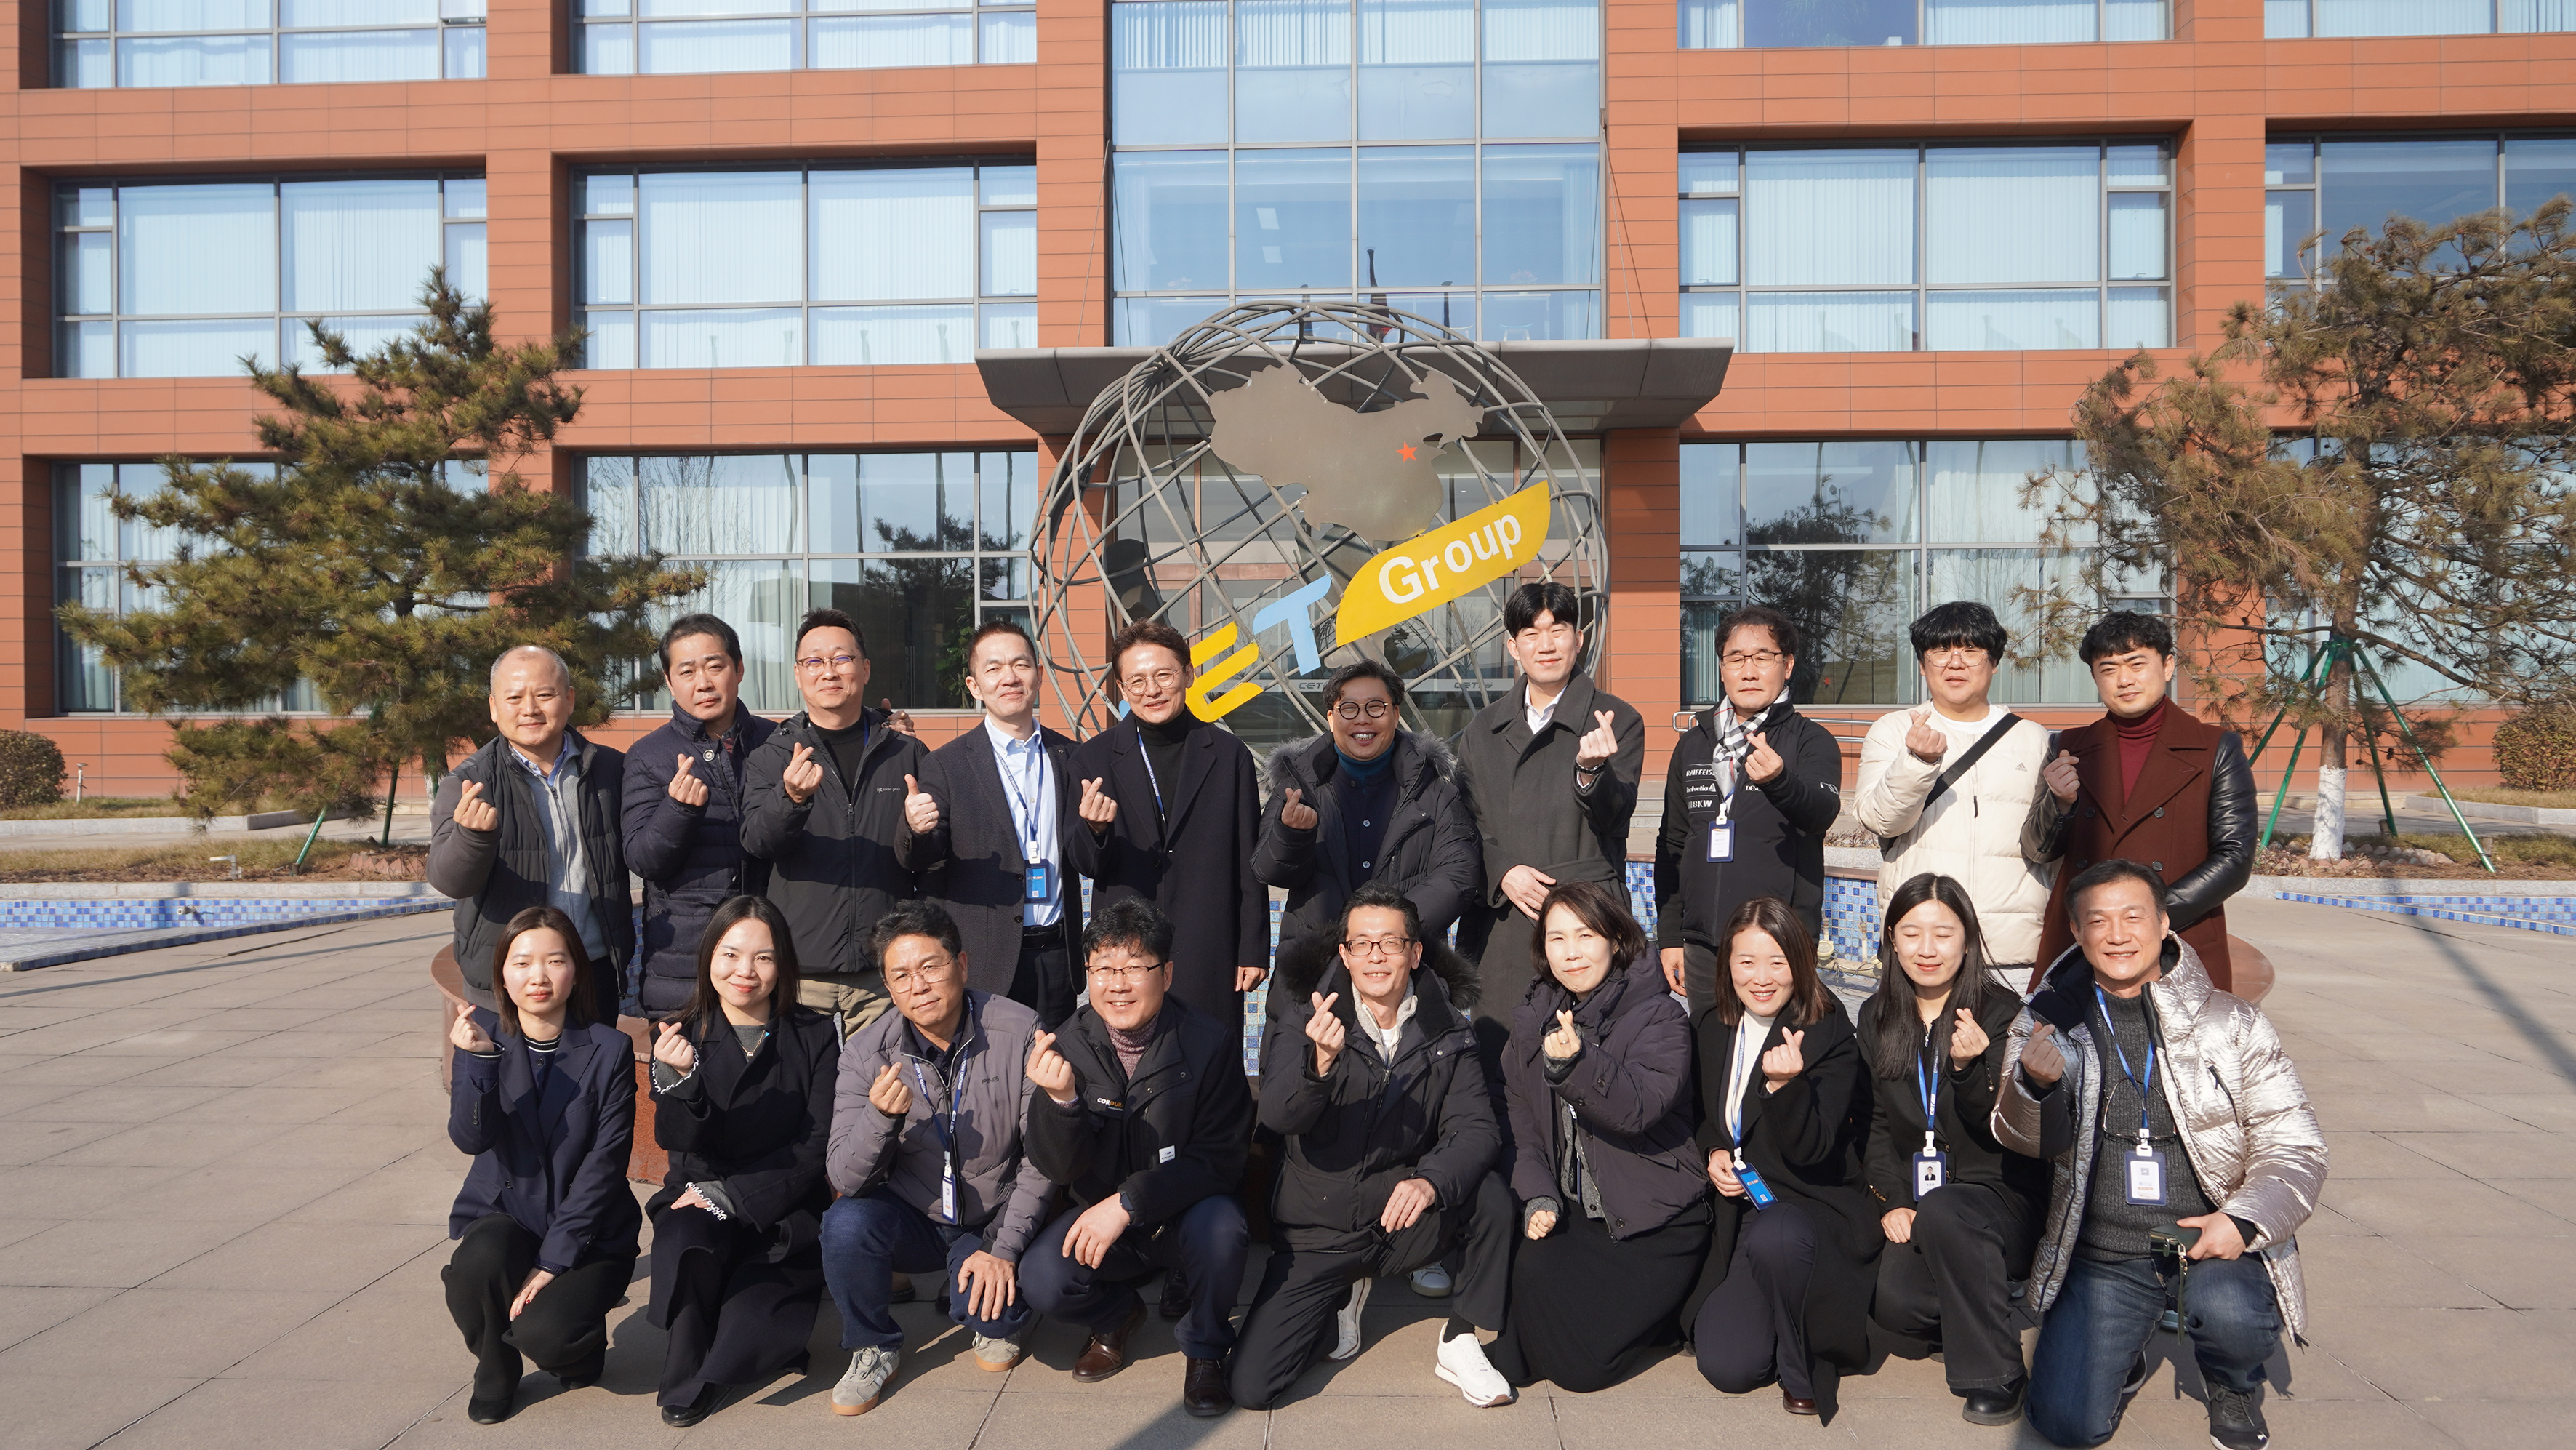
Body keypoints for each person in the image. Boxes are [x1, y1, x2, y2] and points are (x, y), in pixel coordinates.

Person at [1997, 860, 2326, 1450]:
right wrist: (2033, 1089)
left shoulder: (2231, 1022)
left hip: (2206, 1238)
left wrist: (2240, 1221)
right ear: (2076, 931)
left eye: (2132, 917)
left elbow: (2294, 1145)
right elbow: (2017, 1138)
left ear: (2163, 923)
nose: (2116, 935)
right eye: (2098, 920)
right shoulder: (2046, 1019)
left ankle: (2232, 1380)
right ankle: (2122, 1350)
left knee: (2230, 1313)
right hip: (2103, 1251)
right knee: (2064, 1425)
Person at [1231, 881, 1518, 1411]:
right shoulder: (1308, 1015)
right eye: (1361, 944)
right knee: (1252, 1387)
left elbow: (1476, 1128)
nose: (1375, 956)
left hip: (1398, 1218)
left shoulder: (1447, 1031)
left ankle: (1461, 1338)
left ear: (1415, 952)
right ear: (1343, 954)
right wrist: (1318, 1066)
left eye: (1390, 943)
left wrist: (1430, 1181)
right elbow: (1276, 1115)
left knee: (1492, 1197)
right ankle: (1340, 1300)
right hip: (1320, 1228)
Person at [1018, 898, 1253, 1419]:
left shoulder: (1209, 1042)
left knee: (1224, 1228)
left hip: (1183, 1216)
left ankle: (1206, 1349)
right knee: (1042, 1278)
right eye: (1103, 969)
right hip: (1106, 1226)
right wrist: (1060, 1103)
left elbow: (1220, 1160)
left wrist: (1128, 1202)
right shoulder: (1067, 1045)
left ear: (1165, 974)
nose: (1117, 984)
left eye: (1133, 968)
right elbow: (1058, 1168)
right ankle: (1116, 1316)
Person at [819, 901, 1054, 1416]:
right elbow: (845, 1177)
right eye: (901, 976)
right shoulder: (866, 1053)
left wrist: (1003, 1250)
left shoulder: (1017, 1028)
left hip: (991, 1215)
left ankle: (978, 1285)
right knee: (844, 1223)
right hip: (918, 1215)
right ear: (887, 986)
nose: (918, 986)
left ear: (961, 965)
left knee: (993, 1321)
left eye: (930, 967)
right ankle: (872, 1346)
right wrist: (880, 1117)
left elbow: (1042, 1158)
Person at [1487, 881, 1708, 1394]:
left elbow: (1639, 1108)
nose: (1571, 953)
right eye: (1557, 939)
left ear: (1616, 939)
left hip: (1654, 1219)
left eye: (1585, 935)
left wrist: (1577, 1065)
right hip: (1580, 1209)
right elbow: (1519, 1124)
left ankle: (1665, 1318)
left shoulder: (1659, 1015)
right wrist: (1539, 1194)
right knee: (1531, 1274)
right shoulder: (1533, 1021)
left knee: (1579, 1371)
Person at [1857, 874, 2049, 1426]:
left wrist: (1970, 1071)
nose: (1927, 948)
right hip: (1924, 1200)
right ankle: (1976, 1304)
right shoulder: (1876, 1016)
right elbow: (1874, 1124)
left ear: (1966, 941)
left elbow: (2012, 1132)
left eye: (1943, 934)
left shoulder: (2002, 1014)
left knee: (1948, 1210)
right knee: (1895, 1304)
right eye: (1911, 933)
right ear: (1892, 940)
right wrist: (1893, 1198)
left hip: (2000, 1198)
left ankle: (1997, 1374)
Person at [641, 895, 840, 1425]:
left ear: (783, 964)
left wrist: (736, 1194)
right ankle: (685, 1374)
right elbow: (676, 1142)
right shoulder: (680, 1034)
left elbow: (816, 1142)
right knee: (686, 1242)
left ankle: (761, 1333)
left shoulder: (815, 1034)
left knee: (755, 1328)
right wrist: (679, 1082)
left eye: (763, 957)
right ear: (709, 956)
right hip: (699, 1196)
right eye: (730, 954)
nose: (745, 971)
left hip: (783, 1205)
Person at [441, 907, 641, 1425]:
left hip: (590, 1229)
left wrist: (553, 1260)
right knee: (475, 1268)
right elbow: (469, 1138)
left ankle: (578, 1347)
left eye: (555, 961)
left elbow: (605, 1165)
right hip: (507, 1214)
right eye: (522, 962)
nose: (539, 976)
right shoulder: (481, 1037)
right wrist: (480, 1063)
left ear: (576, 971)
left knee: (548, 1336)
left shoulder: (609, 1049)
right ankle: (495, 1371)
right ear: (502, 975)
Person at [1688, 897, 1877, 1421]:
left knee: (1779, 1235)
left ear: (1800, 961)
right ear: (1727, 963)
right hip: (1747, 1210)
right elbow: (1702, 1116)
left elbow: (1812, 1149)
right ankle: (1780, 1307)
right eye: (1746, 961)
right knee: (1728, 1366)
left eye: (1778, 961)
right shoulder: (1711, 1026)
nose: (1762, 978)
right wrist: (1713, 1151)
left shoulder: (1828, 1029)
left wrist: (1785, 1088)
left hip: (1808, 1208)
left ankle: (1803, 1370)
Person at [1453, 582, 1645, 1046]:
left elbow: (1617, 817)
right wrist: (1502, 872)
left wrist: (1590, 771)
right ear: (1512, 646)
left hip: (1587, 918)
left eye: (1558, 630)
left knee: (1593, 1055)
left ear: (1578, 639)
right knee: (1502, 1056)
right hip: (1505, 922)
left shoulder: (1615, 720)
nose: (1546, 645)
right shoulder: (1483, 729)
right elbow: (1461, 825)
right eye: (1531, 633)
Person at [2025, 610, 2256, 993]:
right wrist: (2060, 805)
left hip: (2177, 935)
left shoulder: (2215, 747)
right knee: (2067, 1031)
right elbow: (2037, 849)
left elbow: (2234, 857)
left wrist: (2147, 918)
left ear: (2167, 666)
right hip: (2084, 940)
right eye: (2109, 669)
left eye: (2137, 664)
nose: (2124, 680)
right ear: (2095, 677)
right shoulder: (2068, 746)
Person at [741, 606, 934, 1037]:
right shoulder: (772, 756)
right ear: (798, 674)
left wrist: (919, 831)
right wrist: (791, 799)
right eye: (814, 661)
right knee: (800, 1079)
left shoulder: (905, 752)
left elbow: (931, 858)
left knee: (885, 1077)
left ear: (865, 669)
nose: (828, 672)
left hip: (883, 969)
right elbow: (756, 842)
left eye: (842, 659)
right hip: (799, 970)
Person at [1064, 618, 1268, 1020]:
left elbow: (1249, 859)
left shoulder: (1229, 755)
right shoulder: (1092, 759)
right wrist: (1095, 830)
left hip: (1209, 942)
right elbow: (1085, 864)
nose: (1152, 690)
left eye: (1163, 675)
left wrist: (1253, 948)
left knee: (1211, 1050)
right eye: (1137, 681)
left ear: (1188, 675)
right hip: (1126, 950)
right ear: (1122, 689)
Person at [1852, 602, 2058, 985]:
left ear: (1994, 663)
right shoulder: (1893, 730)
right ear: (1922, 664)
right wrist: (1917, 762)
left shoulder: (2032, 738)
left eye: (1971, 651)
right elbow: (1881, 820)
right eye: (1941, 651)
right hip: (1923, 946)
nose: (1955, 663)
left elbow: (2048, 843)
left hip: (2010, 949)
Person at [1653, 604, 1845, 1014]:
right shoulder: (1693, 743)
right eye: (1736, 659)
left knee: (1775, 1050)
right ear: (1722, 669)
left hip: (1778, 944)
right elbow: (1672, 844)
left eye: (1763, 658)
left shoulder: (1810, 741)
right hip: (1702, 946)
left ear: (1787, 665)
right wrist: (1670, 937)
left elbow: (1821, 812)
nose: (1749, 671)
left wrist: (1780, 782)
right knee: (1707, 1048)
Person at [1255, 658, 1481, 1001]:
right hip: (1312, 974)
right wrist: (1292, 834)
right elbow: (1267, 869)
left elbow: (1459, 874)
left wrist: (1388, 932)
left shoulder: (1434, 789)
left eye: (1376, 707)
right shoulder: (1300, 782)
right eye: (1349, 708)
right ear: (1331, 718)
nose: (1362, 719)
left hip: (1405, 971)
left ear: (1395, 713)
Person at [430, 646, 633, 1022]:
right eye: (514, 698)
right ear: (494, 707)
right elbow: (449, 880)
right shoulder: (469, 783)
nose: (530, 709)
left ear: (569, 700)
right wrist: (472, 839)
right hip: (507, 981)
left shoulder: (610, 770)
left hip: (592, 972)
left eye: (544, 695)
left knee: (597, 1062)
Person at [909, 619, 1086, 1026]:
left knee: (1053, 1060)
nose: (1009, 677)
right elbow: (923, 857)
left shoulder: (1072, 757)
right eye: (994, 668)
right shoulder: (946, 764)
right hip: (985, 959)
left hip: (1058, 955)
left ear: (1038, 675)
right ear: (975, 686)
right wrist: (916, 829)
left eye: (1020, 665)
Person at [623, 614, 780, 1017]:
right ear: (669, 681)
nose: (703, 683)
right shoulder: (648, 755)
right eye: (687, 671)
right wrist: (678, 811)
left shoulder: (777, 742)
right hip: (684, 965)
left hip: (769, 957)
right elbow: (643, 860)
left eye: (715, 666)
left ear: (739, 669)